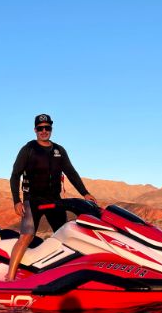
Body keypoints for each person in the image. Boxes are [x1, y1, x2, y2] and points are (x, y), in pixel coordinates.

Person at [7, 113, 96, 281]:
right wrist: (16, 201)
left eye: (47, 128)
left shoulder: (59, 150)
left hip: (54, 200)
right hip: (31, 200)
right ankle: (10, 277)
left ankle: (65, 276)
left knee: (65, 235)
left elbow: (71, 173)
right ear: (35, 130)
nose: (44, 131)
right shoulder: (29, 149)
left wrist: (85, 193)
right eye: (40, 128)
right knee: (26, 235)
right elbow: (15, 175)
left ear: (51, 129)